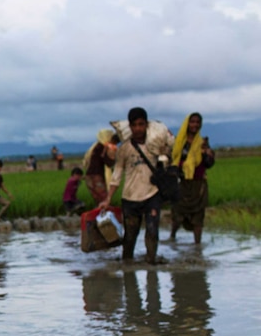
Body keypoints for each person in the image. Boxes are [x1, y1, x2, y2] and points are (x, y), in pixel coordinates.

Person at [99, 107, 172, 264]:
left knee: (152, 232)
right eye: (134, 125)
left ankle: (151, 265)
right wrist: (108, 198)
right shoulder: (124, 148)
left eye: (141, 124)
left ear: (146, 125)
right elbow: (117, 174)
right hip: (130, 198)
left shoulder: (155, 144)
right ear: (130, 127)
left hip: (152, 195)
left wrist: (166, 154)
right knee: (130, 236)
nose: (138, 128)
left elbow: (168, 162)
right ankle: (127, 266)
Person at [169, 112, 215, 244]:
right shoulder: (179, 143)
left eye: (197, 122)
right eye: (192, 121)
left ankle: (197, 246)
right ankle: (172, 237)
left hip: (198, 185)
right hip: (181, 184)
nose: (195, 125)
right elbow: (173, 160)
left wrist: (207, 154)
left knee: (198, 217)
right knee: (177, 214)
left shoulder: (202, 143)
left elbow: (209, 164)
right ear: (187, 124)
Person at [83, 129, 118, 204]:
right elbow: (109, 163)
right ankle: (106, 214)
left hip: (89, 177)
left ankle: (100, 214)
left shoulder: (95, 147)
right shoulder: (104, 147)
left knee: (98, 199)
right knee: (104, 199)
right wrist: (113, 156)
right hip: (97, 177)